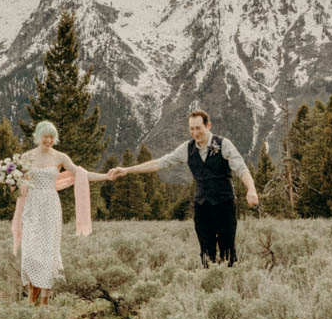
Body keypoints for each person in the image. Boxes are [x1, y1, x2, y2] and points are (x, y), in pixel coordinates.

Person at [109, 110, 257, 267]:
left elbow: (241, 169)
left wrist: (251, 189)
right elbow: (159, 163)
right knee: (206, 253)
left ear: (208, 125)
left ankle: (230, 284)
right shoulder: (187, 149)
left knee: (228, 252)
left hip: (224, 204)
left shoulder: (223, 144)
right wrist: (127, 170)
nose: (195, 133)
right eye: (191, 129)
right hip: (202, 207)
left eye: (198, 128)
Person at [14, 120, 112, 305]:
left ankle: (44, 299)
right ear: (38, 136)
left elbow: (81, 174)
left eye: (52, 136)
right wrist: (15, 184)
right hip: (32, 206)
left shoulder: (60, 157)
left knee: (48, 251)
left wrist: (105, 176)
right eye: (45, 136)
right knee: (30, 252)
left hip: (50, 206)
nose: (49, 140)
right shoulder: (26, 157)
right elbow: (15, 179)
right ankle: (32, 293)